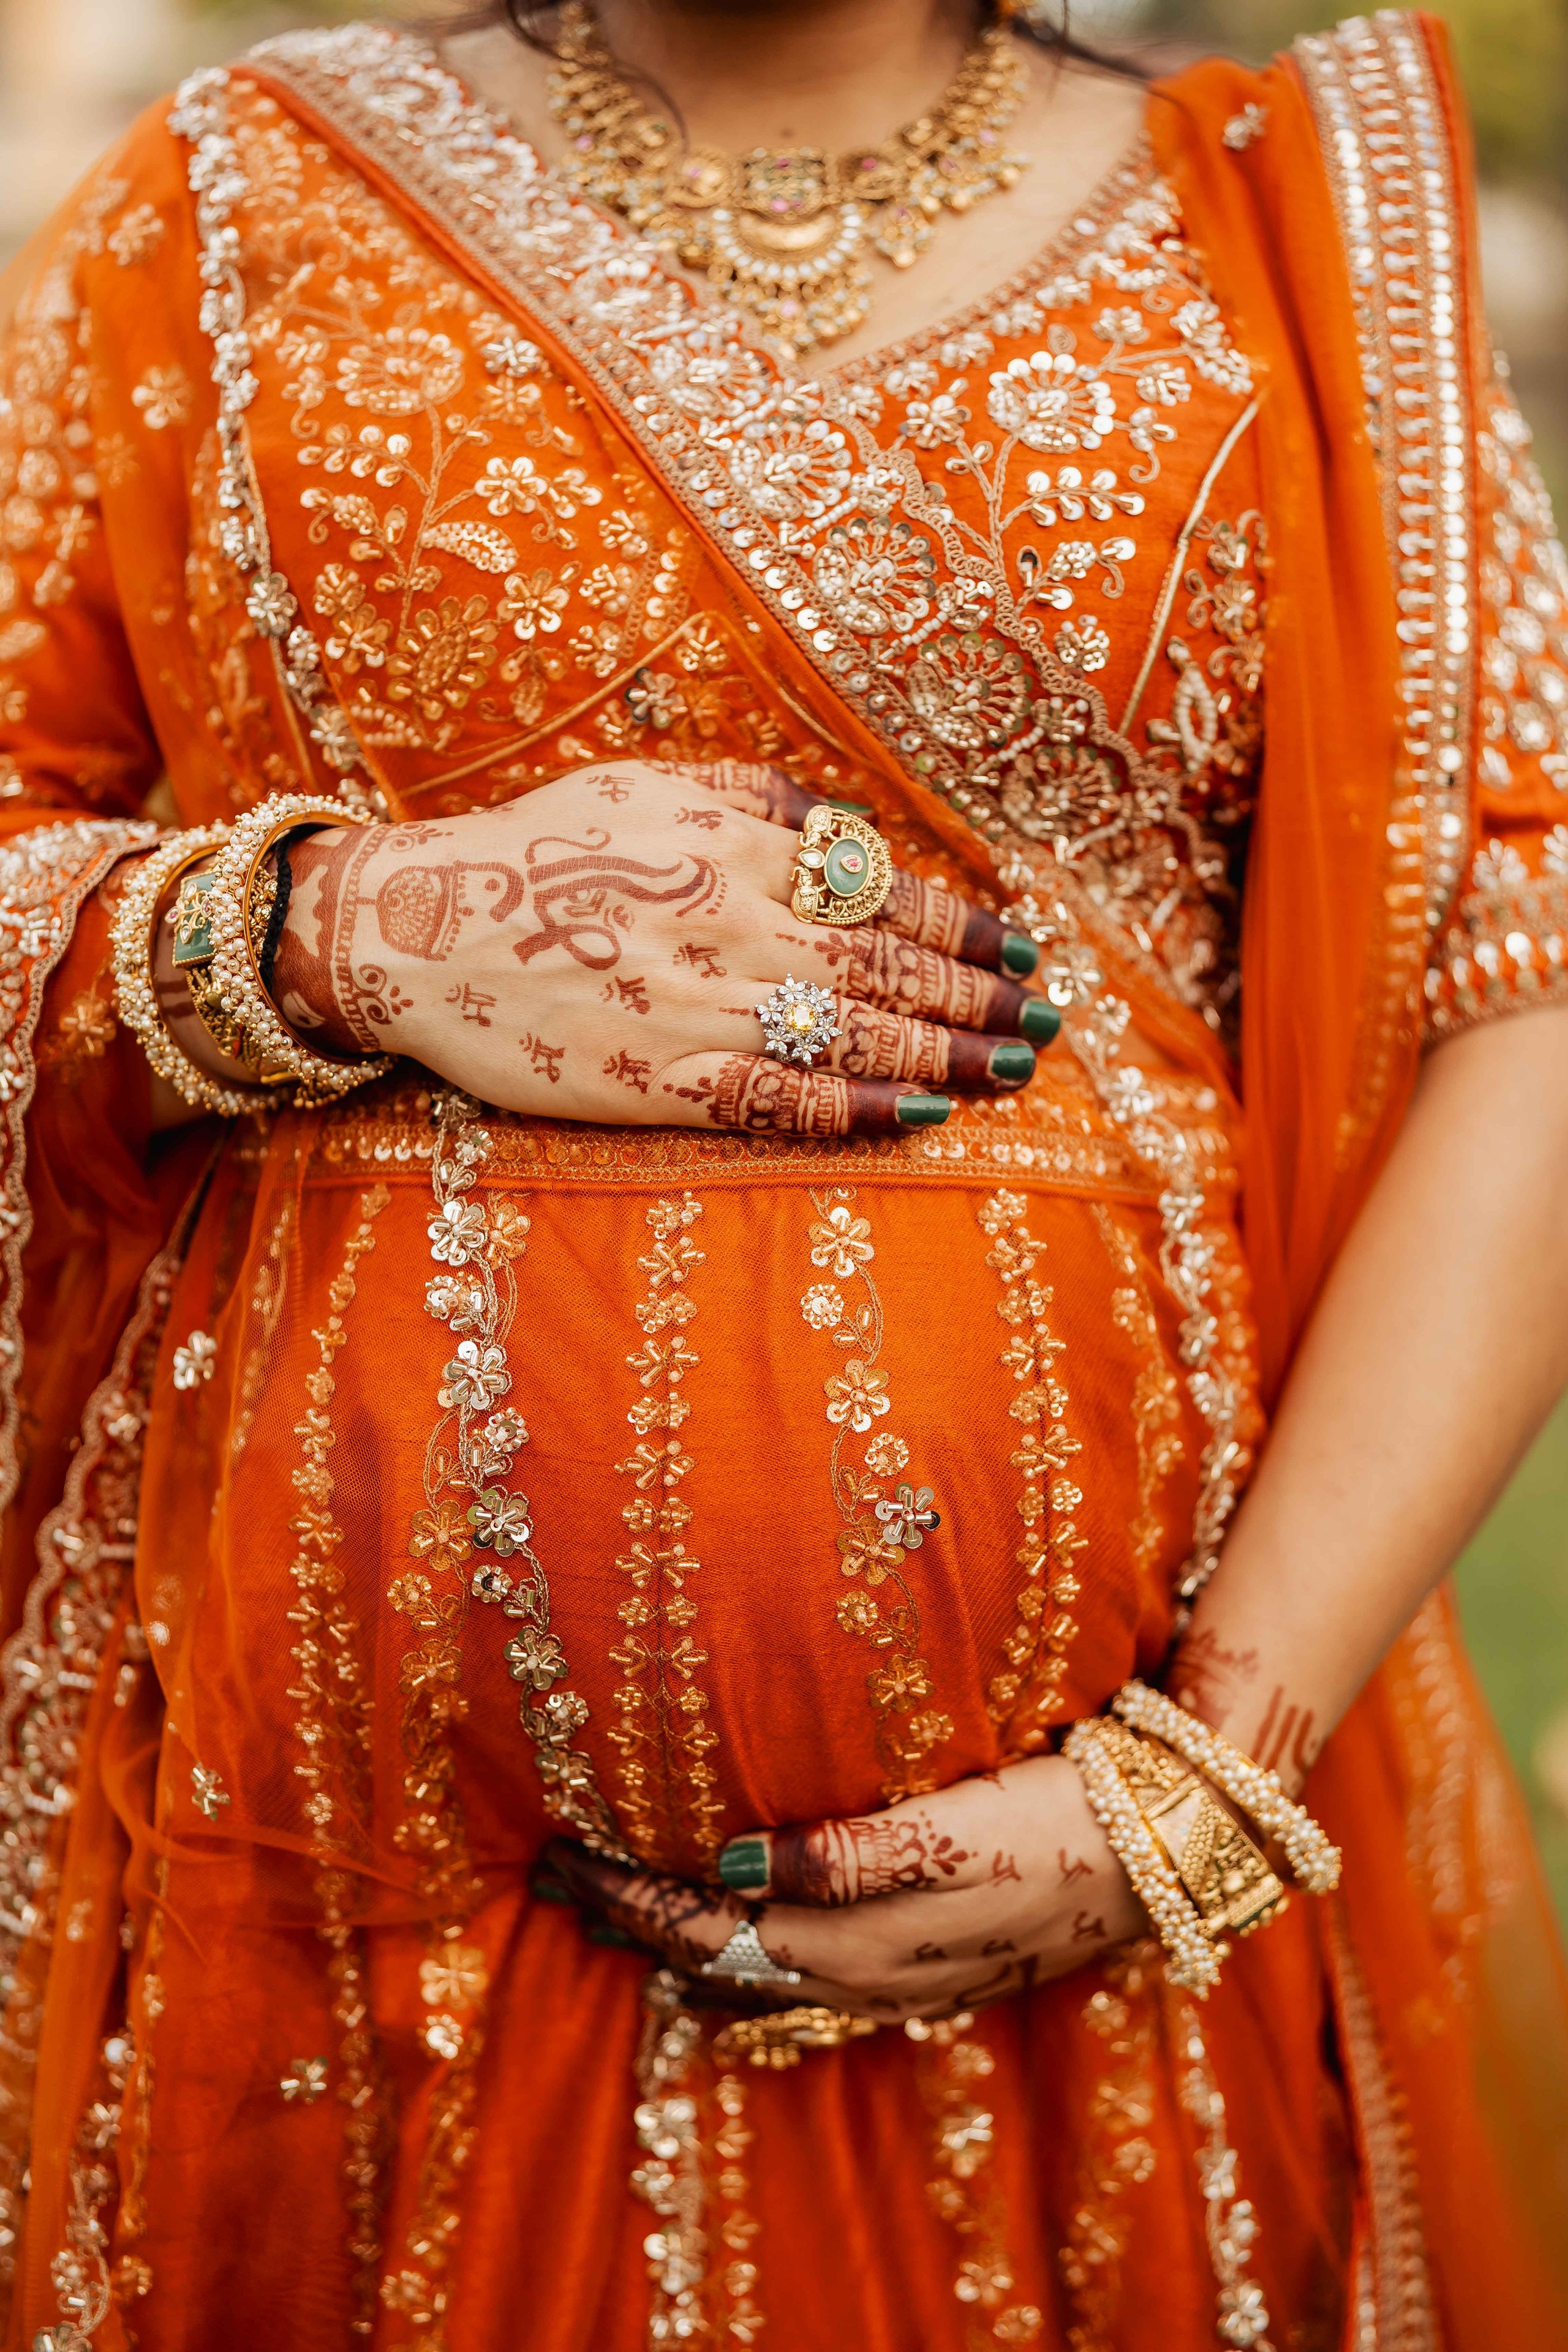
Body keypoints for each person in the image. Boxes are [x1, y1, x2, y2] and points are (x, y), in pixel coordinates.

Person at [0, 0, 1565, 2342]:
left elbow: (1518, 985)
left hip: (1080, 1913)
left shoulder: (1288, 219)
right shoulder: (230, 197)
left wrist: (1210, 1771)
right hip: (328, 1896)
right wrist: (348, 929)